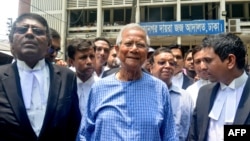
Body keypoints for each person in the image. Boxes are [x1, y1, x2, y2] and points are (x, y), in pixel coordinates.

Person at [77, 23, 176, 141]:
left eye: (140, 45)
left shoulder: (160, 89)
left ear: (147, 53)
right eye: (128, 44)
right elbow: (84, 135)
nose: (134, 49)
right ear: (117, 50)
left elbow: (170, 136)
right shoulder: (99, 88)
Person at [0, 13, 81, 140]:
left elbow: (73, 125)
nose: (30, 33)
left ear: (48, 43)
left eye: (37, 31)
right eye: (22, 29)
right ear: (12, 41)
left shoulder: (67, 77)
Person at [188, 33, 250, 141]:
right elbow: (194, 135)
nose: (202, 67)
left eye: (208, 60)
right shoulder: (204, 93)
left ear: (230, 61)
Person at [150, 47, 193, 141]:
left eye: (172, 63)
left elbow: (189, 130)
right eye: (162, 62)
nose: (168, 66)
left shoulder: (185, 96)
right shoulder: (143, 95)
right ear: (151, 67)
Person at [67, 38, 99, 116]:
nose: (89, 62)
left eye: (92, 56)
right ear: (71, 62)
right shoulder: (65, 87)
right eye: (83, 57)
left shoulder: (102, 85)